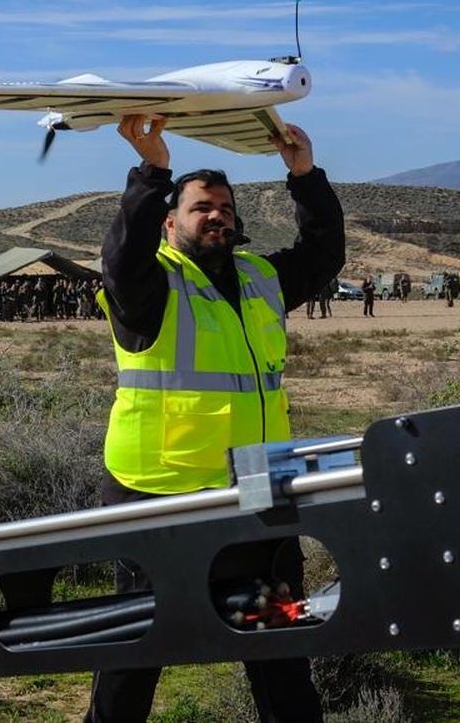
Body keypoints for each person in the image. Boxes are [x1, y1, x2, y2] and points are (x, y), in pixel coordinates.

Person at [88, 115, 342, 723]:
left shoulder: (261, 278)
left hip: (257, 495)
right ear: (170, 222)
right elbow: (121, 258)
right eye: (202, 207)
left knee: (279, 641)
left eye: (226, 207)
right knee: (135, 652)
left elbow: (323, 254)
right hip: (161, 499)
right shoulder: (152, 286)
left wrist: (304, 175)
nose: (217, 215)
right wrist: (152, 171)